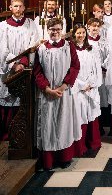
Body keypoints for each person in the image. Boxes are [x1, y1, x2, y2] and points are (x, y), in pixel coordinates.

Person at [33, 18, 82, 170]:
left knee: (63, 124)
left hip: (64, 92)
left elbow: (75, 66)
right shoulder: (41, 49)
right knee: (47, 126)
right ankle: (48, 160)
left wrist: (63, 86)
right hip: (47, 93)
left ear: (62, 30)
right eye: (52, 30)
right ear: (47, 30)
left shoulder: (68, 46)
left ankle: (64, 157)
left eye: (58, 29)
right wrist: (47, 89)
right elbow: (37, 71)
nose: (55, 32)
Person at [0, 0, 39, 140]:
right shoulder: (3, 26)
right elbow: (2, 49)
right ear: (10, 8)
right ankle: (7, 134)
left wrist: (23, 62)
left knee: (24, 101)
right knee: (8, 99)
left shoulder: (30, 24)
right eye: (15, 6)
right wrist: (14, 64)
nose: (18, 9)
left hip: (25, 68)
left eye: (20, 6)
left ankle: (23, 135)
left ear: (24, 7)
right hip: (8, 69)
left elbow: (33, 45)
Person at [71, 23, 102, 154]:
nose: (81, 35)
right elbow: (70, 71)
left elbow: (97, 68)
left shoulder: (91, 48)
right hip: (78, 88)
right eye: (78, 33)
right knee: (80, 115)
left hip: (91, 87)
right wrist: (81, 85)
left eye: (83, 33)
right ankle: (80, 146)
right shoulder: (71, 50)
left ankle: (93, 142)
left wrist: (92, 83)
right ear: (74, 34)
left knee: (91, 113)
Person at [87, 18, 110, 135]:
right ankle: (93, 128)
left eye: (97, 26)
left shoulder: (103, 41)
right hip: (89, 76)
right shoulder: (86, 42)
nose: (95, 28)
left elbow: (108, 56)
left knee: (102, 99)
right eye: (93, 26)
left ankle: (101, 125)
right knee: (92, 100)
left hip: (102, 74)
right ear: (88, 27)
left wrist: (104, 67)